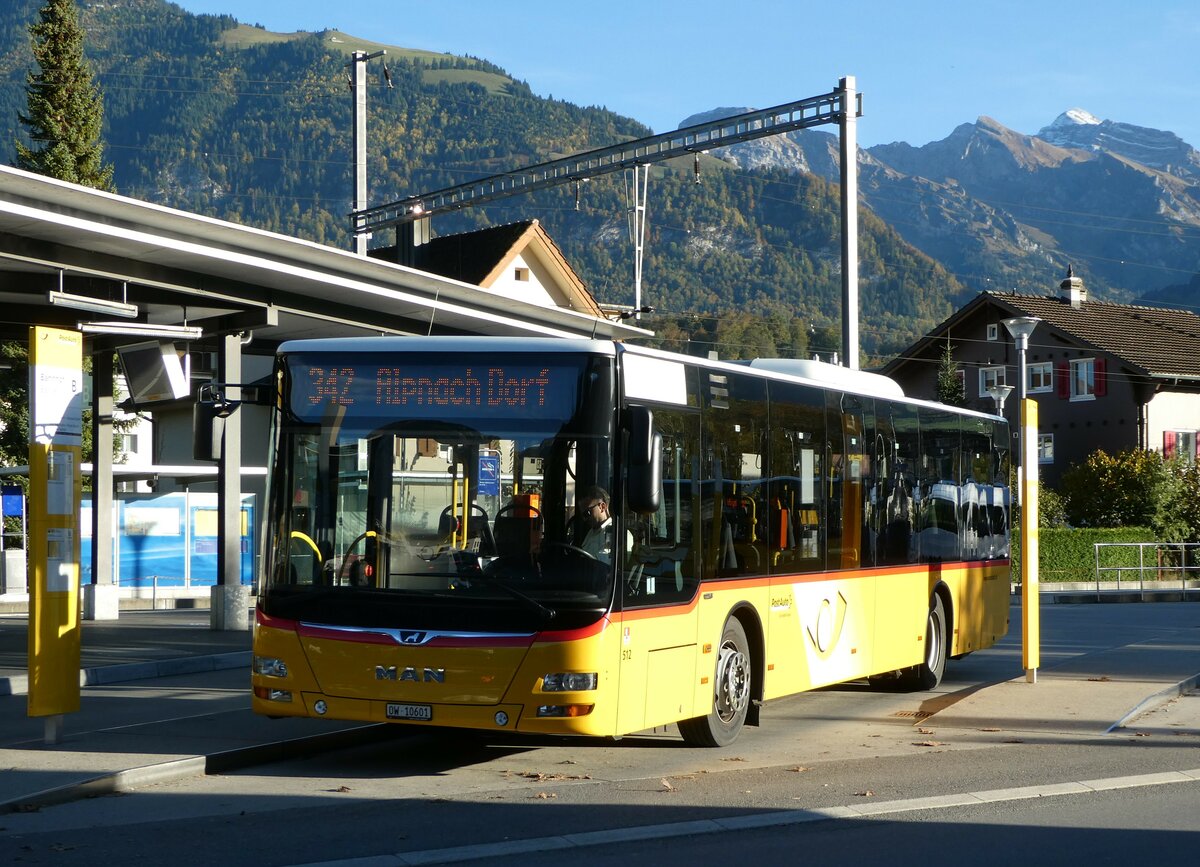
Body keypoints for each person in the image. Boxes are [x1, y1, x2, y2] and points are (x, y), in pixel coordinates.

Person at [577, 486, 615, 564]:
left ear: (602, 507)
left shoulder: (617, 534)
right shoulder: (591, 532)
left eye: (587, 513)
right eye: (582, 515)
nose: (584, 519)